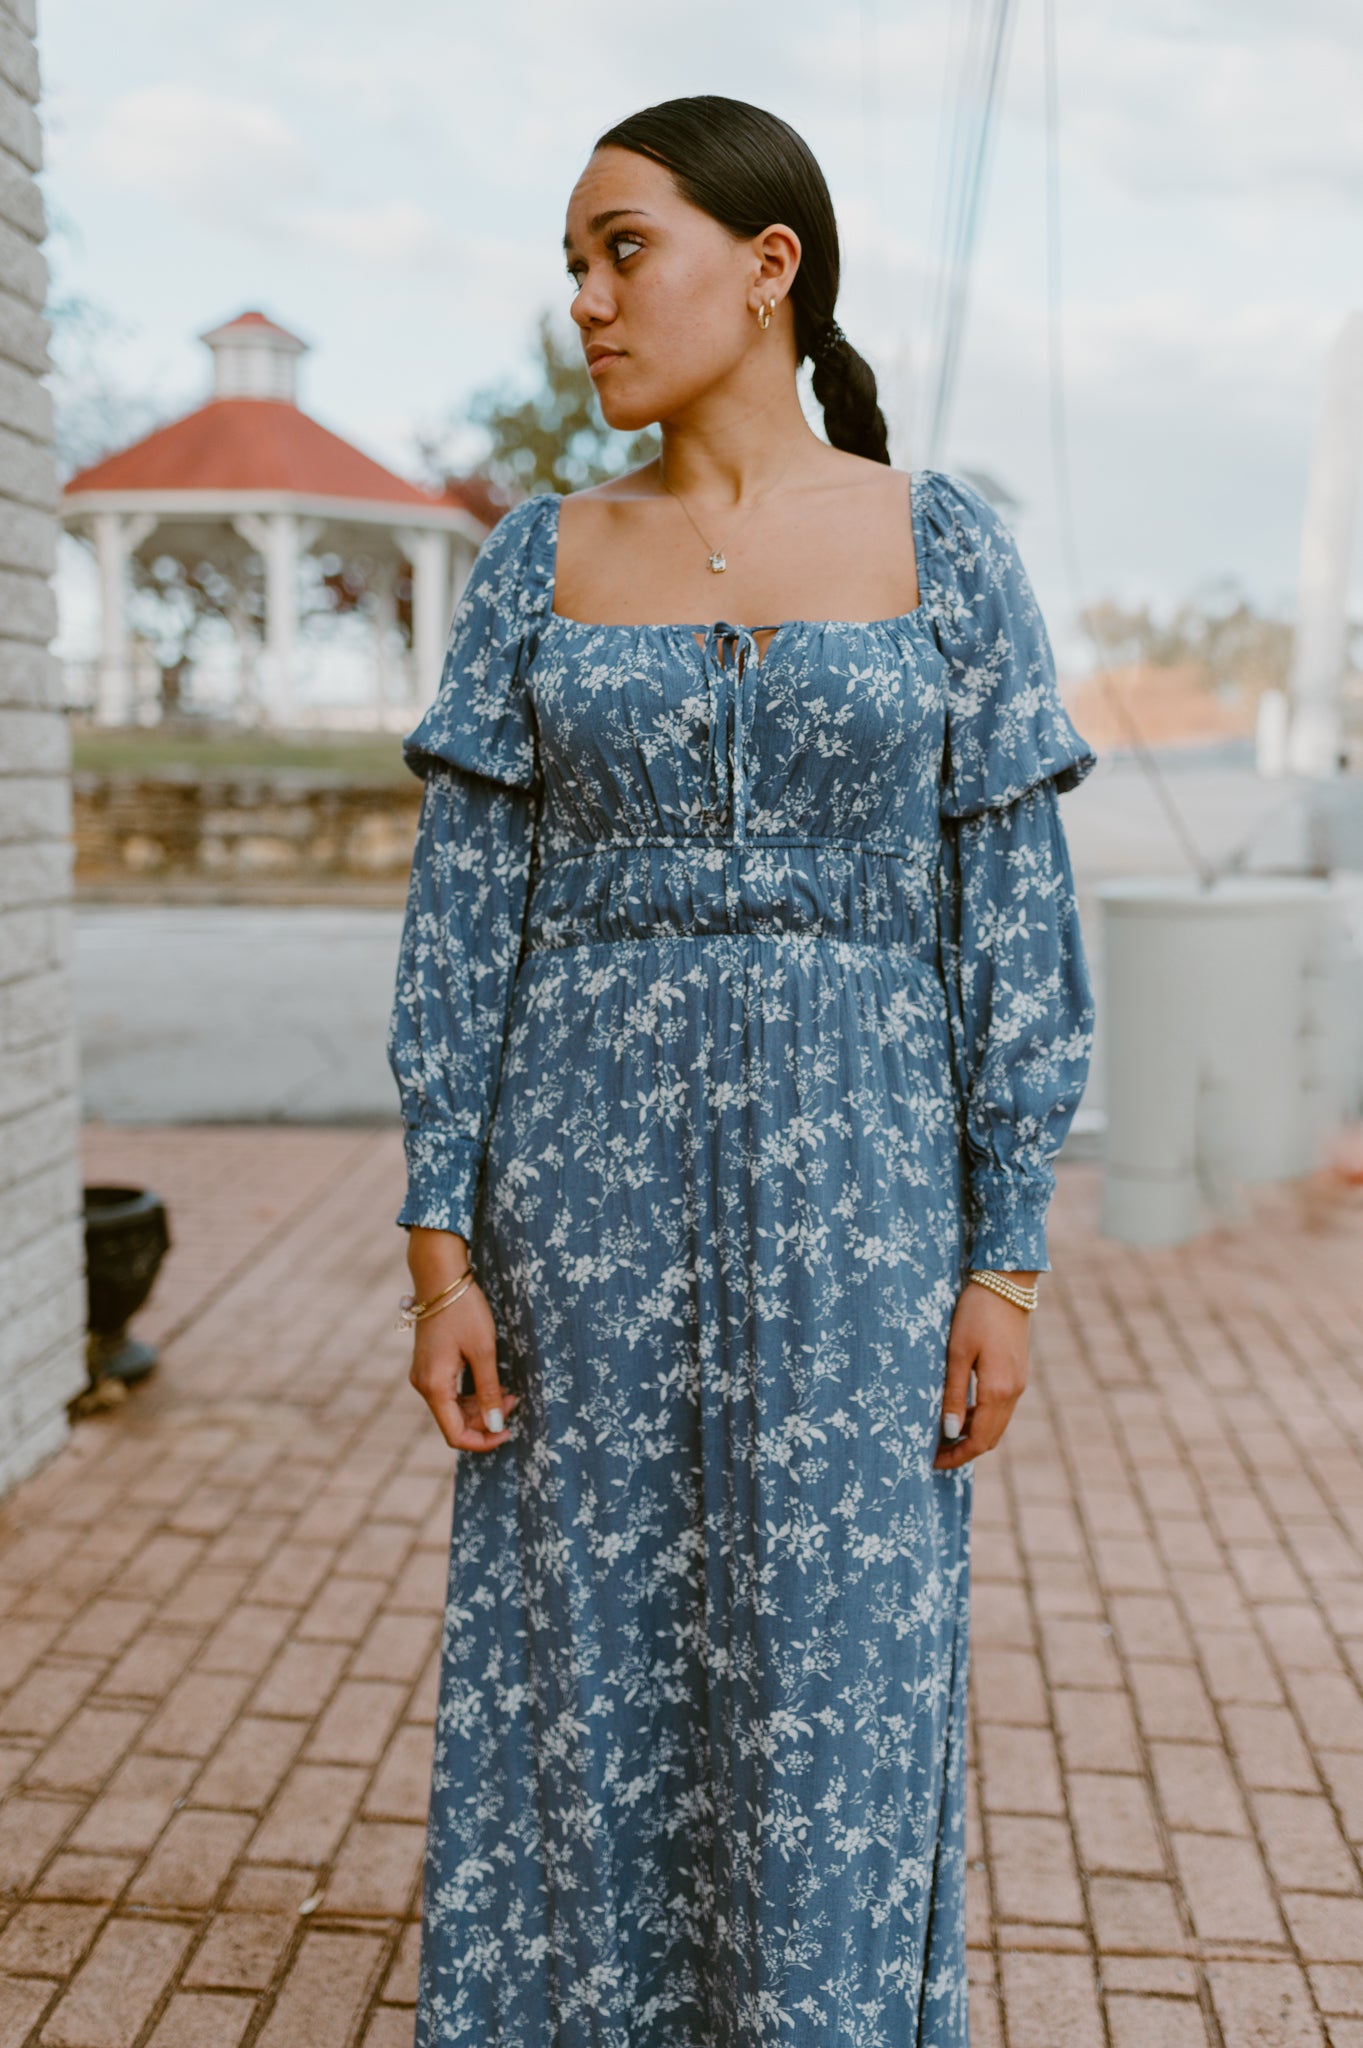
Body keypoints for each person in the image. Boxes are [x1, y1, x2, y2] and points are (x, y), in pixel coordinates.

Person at [387, 92, 1096, 2048]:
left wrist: (1005, 1252)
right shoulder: (538, 556)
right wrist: (438, 1246)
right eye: (572, 266)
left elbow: (1012, 922)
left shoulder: (940, 545)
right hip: (576, 1228)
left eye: (625, 249)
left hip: (864, 1223)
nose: (587, 304)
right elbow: (466, 918)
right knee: (582, 1675)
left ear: (768, 265)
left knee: (840, 1679)